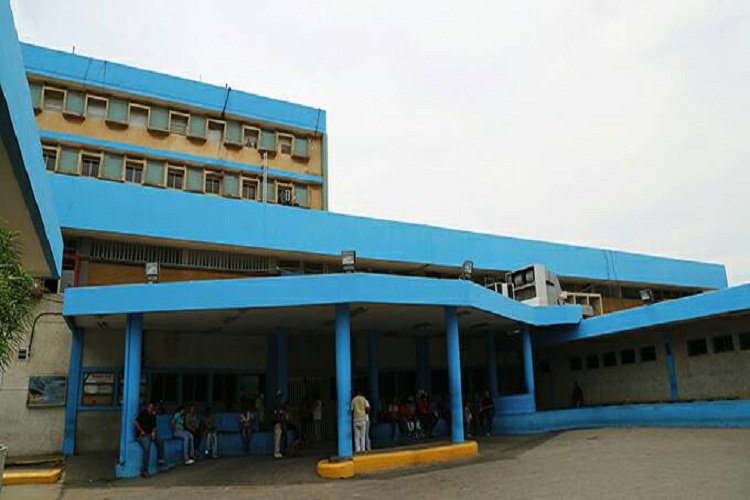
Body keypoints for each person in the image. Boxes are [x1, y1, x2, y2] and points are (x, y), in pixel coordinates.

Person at [134, 401, 163, 478]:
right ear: (147, 407)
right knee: (147, 448)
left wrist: (153, 433)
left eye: (152, 408)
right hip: (142, 435)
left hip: (150, 434)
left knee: (160, 441)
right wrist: (141, 431)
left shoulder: (153, 416)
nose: (151, 409)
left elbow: (154, 427)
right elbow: (136, 422)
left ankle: (160, 459)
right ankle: (144, 471)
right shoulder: (143, 413)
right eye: (150, 408)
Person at [272, 390, 287, 459]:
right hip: (277, 423)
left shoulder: (277, 404)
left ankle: (278, 451)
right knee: (277, 438)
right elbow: (278, 414)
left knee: (278, 438)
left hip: (278, 422)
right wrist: (281, 421)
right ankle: (276, 452)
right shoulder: (277, 404)